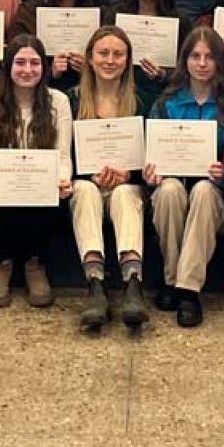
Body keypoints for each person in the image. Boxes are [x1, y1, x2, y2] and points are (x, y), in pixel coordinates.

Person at [146, 26, 224, 328]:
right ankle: (171, 278)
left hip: (214, 196)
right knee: (168, 190)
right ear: (184, 60)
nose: (202, 64)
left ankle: (187, 290)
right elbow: (150, 156)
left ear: (220, 61)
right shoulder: (165, 103)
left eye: (209, 57)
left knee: (203, 190)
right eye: (195, 56)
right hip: (172, 189)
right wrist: (151, 172)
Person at [0, 34, 74, 309]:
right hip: (0, 194)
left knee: (50, 193)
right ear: (8, 66)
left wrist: (64, 179)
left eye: (35, 63)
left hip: (41, 193)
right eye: (20, 62)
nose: (28, 70)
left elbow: (64, 158)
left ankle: (34, 264)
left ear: (44, 67)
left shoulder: (59, 102)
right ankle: (1, 263)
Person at [68, 27, 152, 332]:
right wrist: (87, 173)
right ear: (90, 59)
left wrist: (130, 174)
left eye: (118, 54)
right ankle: (95, 285)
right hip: (87, 185)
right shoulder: (72, 100)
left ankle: (133, 283)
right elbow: (62, 155)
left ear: (128, 60)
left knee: (124, 193)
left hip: (126, 187)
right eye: (103, 53)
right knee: (84, 190)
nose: (110, 60)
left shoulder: (141, 101)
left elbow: (152, 156)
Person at [12, 0, 100, 90]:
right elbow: (15, 59)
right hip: (40, 90)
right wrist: (50, 71)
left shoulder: (100, 12)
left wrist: (90, 69)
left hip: (91, 90)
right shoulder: (29, 12)